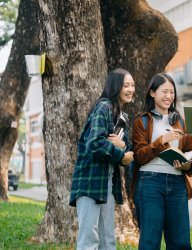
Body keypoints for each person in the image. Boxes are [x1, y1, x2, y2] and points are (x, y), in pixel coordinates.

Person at [69, 68, 135, 250]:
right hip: (90, 182)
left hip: (107, 184)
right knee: (89, 240)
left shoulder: (122, 116)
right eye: (126, 85)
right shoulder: (103, 107)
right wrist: (121, 153)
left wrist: (122, 148)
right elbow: (95, 143)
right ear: (116, 87)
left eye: (133, 85)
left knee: (108, 240)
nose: (131, 89)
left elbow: (127, 148)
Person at [131, 73, 192, 250]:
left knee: (181, 242)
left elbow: (189, 153)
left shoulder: (180, 121)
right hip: (150, 183)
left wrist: (186, 164)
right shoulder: (142, 121)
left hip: (177, 184)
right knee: (150, 241)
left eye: (172, 92)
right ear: (152, 93)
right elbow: (139, 156)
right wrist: (162, 140)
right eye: (164, 91)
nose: (169, 96)